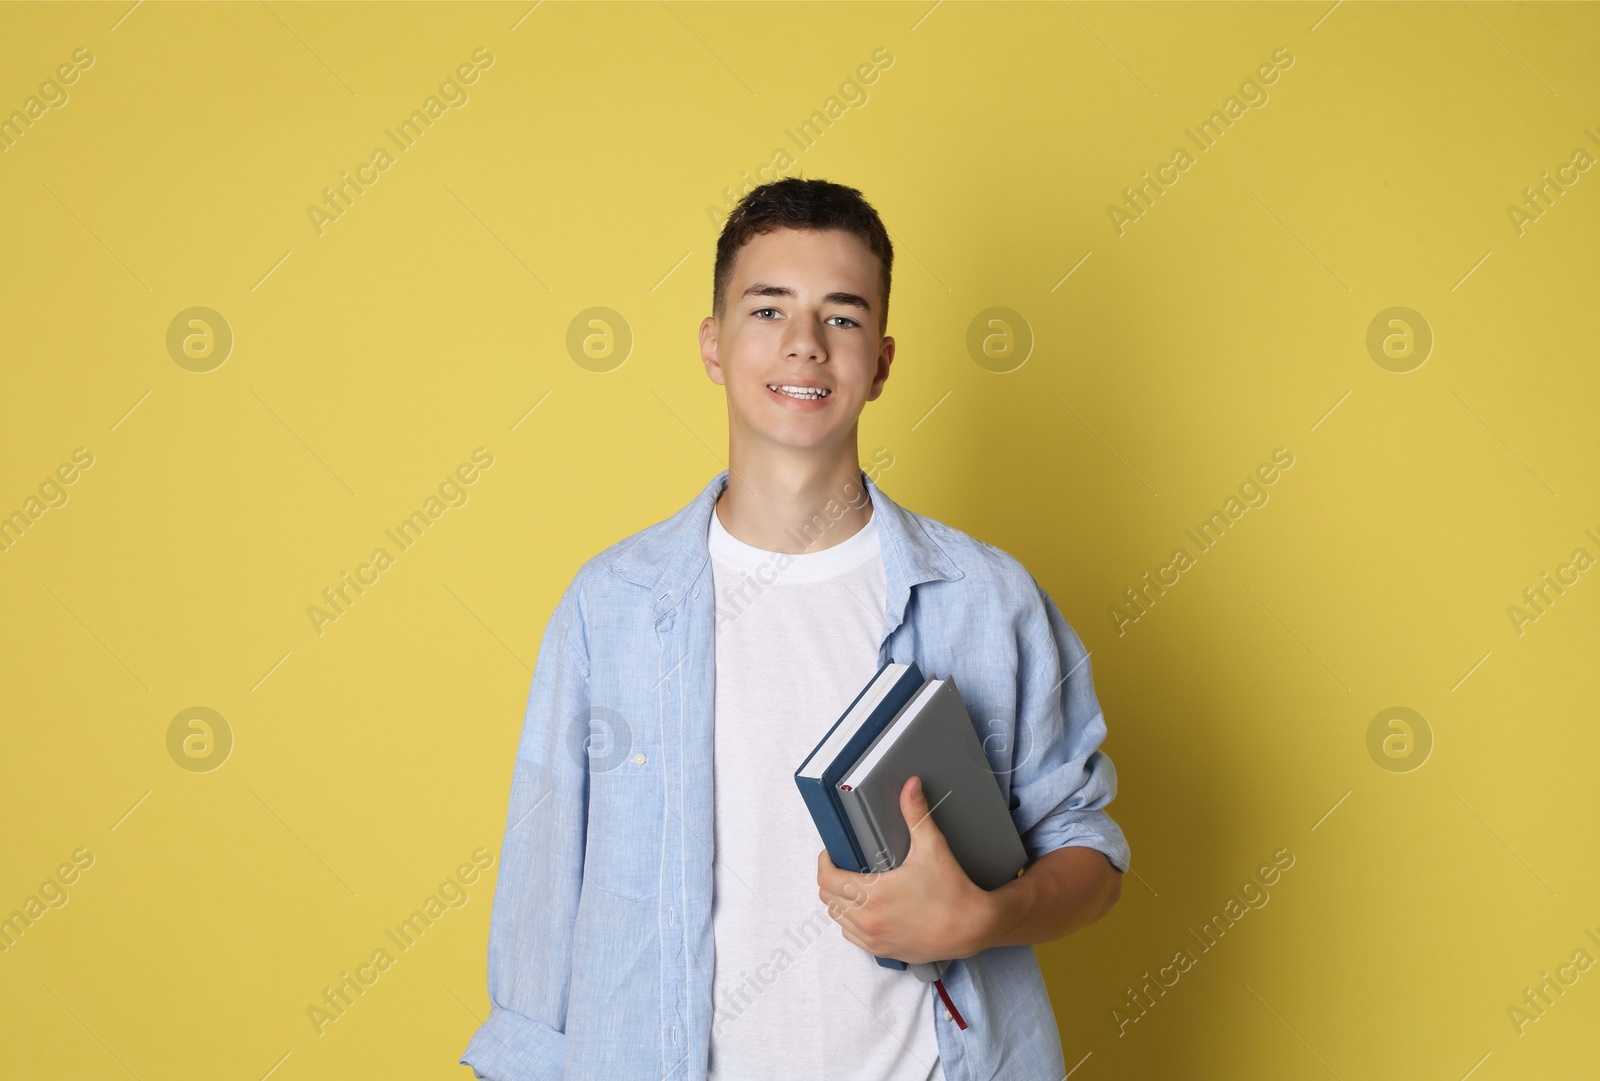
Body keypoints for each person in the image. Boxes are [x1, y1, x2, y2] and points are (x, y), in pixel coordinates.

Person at [461, 177, 1129, 1081]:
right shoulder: (609, 606)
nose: (805, 344)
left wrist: (984, 917)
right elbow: (540, 910)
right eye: (768, 308)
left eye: (842, 317)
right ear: (713, 344)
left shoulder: (988, 599)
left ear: (883, 360)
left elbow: (1087, 848)